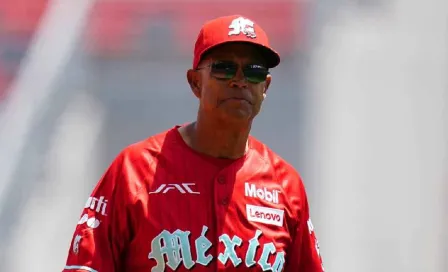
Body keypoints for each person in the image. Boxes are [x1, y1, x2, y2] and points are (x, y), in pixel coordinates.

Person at [62, 14, 324, 272]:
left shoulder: (286, 186)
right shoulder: (134, 171)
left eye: (254, 71)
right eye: (224, 68)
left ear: (265, 87)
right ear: (195, 82)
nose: (239, 80)